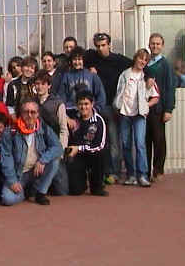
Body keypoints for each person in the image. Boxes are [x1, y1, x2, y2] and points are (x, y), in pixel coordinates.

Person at [84, 32, 133, 184]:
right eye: (98, 46)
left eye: (104, 45)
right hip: (97, 106)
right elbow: (75, 58)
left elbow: (138, 64)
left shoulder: (118, 60)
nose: (101, 48)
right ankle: (100, 172)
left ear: (109, 45)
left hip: (112, 106)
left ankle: (114, 172)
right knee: (96, 139)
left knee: (113, 140)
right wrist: (89, 67)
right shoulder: (91, 57)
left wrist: (150, 76)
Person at [0, 98, 62, 206]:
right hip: (18, 174)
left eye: (33, 112)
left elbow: (58, 147)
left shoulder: (44, 128)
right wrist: (12, 181)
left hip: (37, 171)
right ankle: (26, 192)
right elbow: (6, 157)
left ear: (38, 114)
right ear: (21, 113)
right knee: (7, 199)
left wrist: (43, 160)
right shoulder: (10, 131)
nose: (29, 115)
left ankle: (40, 193)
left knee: (54, 161)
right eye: (26, 112)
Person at [113, 49, 158, 187]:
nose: (142, 62)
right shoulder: (125, 74)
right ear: (135, 58)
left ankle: (142, 175)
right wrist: (118, 106)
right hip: (125, 114)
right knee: (126, 145)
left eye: (145, 60)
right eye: (140, 58)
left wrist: (146, 105)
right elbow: (118, 92)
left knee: (140, 144)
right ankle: (131, 175)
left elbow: (155, 97)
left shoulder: (147, 77)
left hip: (139, 116)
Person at [144, 33, 176, 182]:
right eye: (152, 43)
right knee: (145, 141)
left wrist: (169, 109)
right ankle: (145, 171)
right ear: (149, 45)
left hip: (158, 109)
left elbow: (170, 87)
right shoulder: (145, 62)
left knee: (158, 141)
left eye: (158, 44)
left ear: (162, 46)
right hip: (144, 109)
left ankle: (158, 170)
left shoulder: (165, 64)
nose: (155, 46)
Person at [66, 91, 108, 196]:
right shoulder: (72, 113)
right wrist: (67, 118)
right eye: (80, 104)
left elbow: (99, 146)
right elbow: (59, 109)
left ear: (92, 104)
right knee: (75, 191)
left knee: (100, 154)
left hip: (92, 154)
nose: (83, 107)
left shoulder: (99, 121)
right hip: (76, 156)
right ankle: (81, 183)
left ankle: (97, 186)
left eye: (86, 104)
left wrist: (79, 148)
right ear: (76, 105)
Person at [34, 70, 69, 195]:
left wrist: (60, 151)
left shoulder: (58, 103)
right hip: (36, 148)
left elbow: (63, 129)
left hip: (54, 147)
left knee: (62, 191)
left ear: (49, 85)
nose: (39, 87)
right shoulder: (30, 102)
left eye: (43, 84)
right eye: (37, 84)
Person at [58, 47, 106, 119]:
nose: (77, 62)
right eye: (74, 59)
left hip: (88, 111)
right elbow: (62, 96)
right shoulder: (66, 76)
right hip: (71, 111)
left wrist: (96, 109)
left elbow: (101, 95)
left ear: (83, 60)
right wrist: (65, 114)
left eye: (79, 59)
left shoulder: (91, 75)